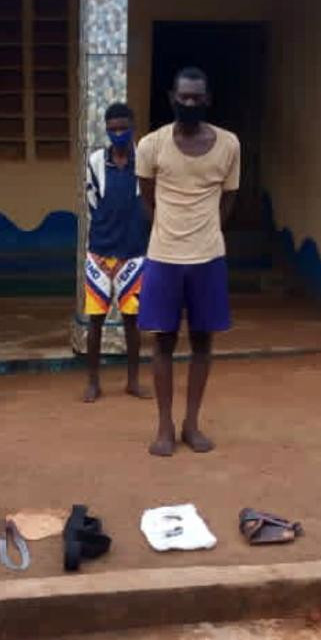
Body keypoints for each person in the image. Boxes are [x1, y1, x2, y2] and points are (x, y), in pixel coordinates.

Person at [136, 67, 240, 456]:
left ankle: (191, 425)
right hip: (163, 257)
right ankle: (164, 427)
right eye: (184, 97)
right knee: (162, 341)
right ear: (172, 98)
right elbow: (146, 196)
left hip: (209, 258)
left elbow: (229, 197)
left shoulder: (230, 145)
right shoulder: (151, 145)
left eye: (197, 97)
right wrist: (168, 230)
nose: (190, 103)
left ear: (208, 99)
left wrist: (208, 232)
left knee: (202, 342)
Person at [82, 102, 151, 403]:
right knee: (95, 320)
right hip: (100, 252)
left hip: (134, 253)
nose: (118, 133)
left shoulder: (145, 160)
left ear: (133, 127)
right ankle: (93, 382)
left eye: (123, 128)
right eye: (113, 129)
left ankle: (133, 381)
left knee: (132, 321)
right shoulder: (96, 161)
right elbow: (92, 204)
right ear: (106, 131)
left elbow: (150, 201)